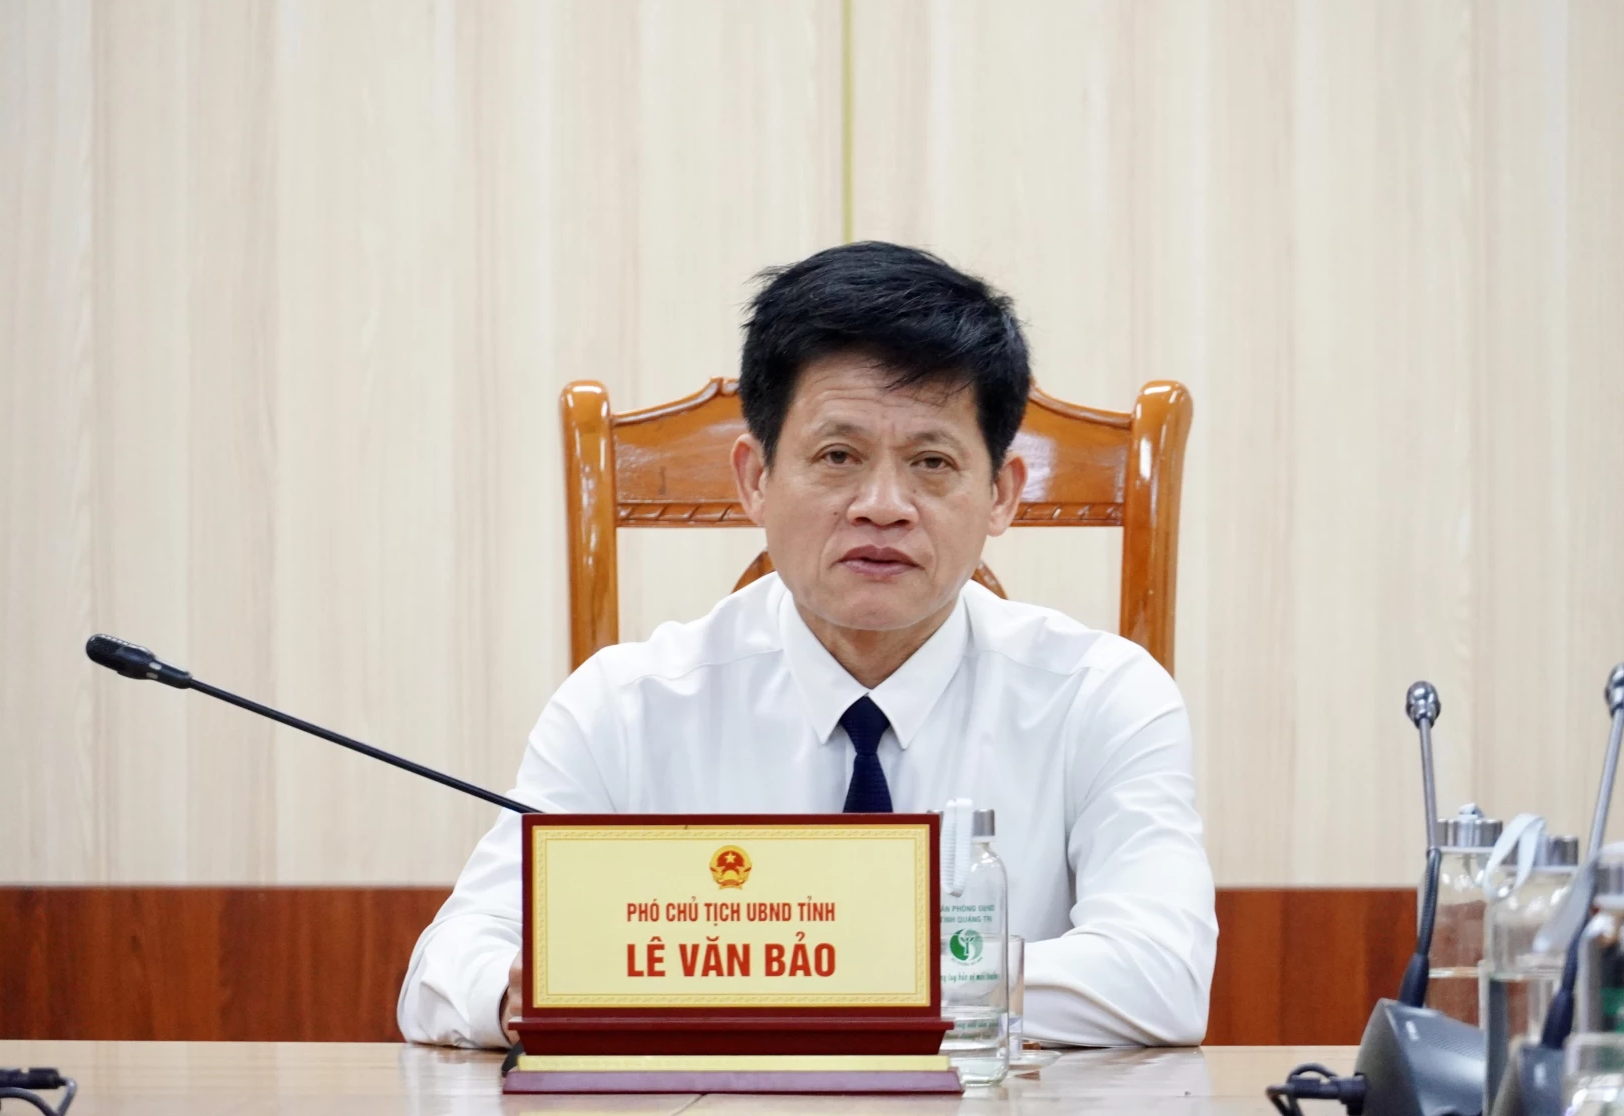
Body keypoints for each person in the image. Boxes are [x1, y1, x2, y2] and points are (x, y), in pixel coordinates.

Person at [397, 242, 1217, 1049]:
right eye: (837, 456)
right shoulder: (627, 705)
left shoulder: (1101, 696)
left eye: (932, 462)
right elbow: (445, 972)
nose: (883, 505)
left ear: (1001, 495)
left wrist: (806, 975)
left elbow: (1160, 976)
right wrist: (518, 995)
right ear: (755, 478)